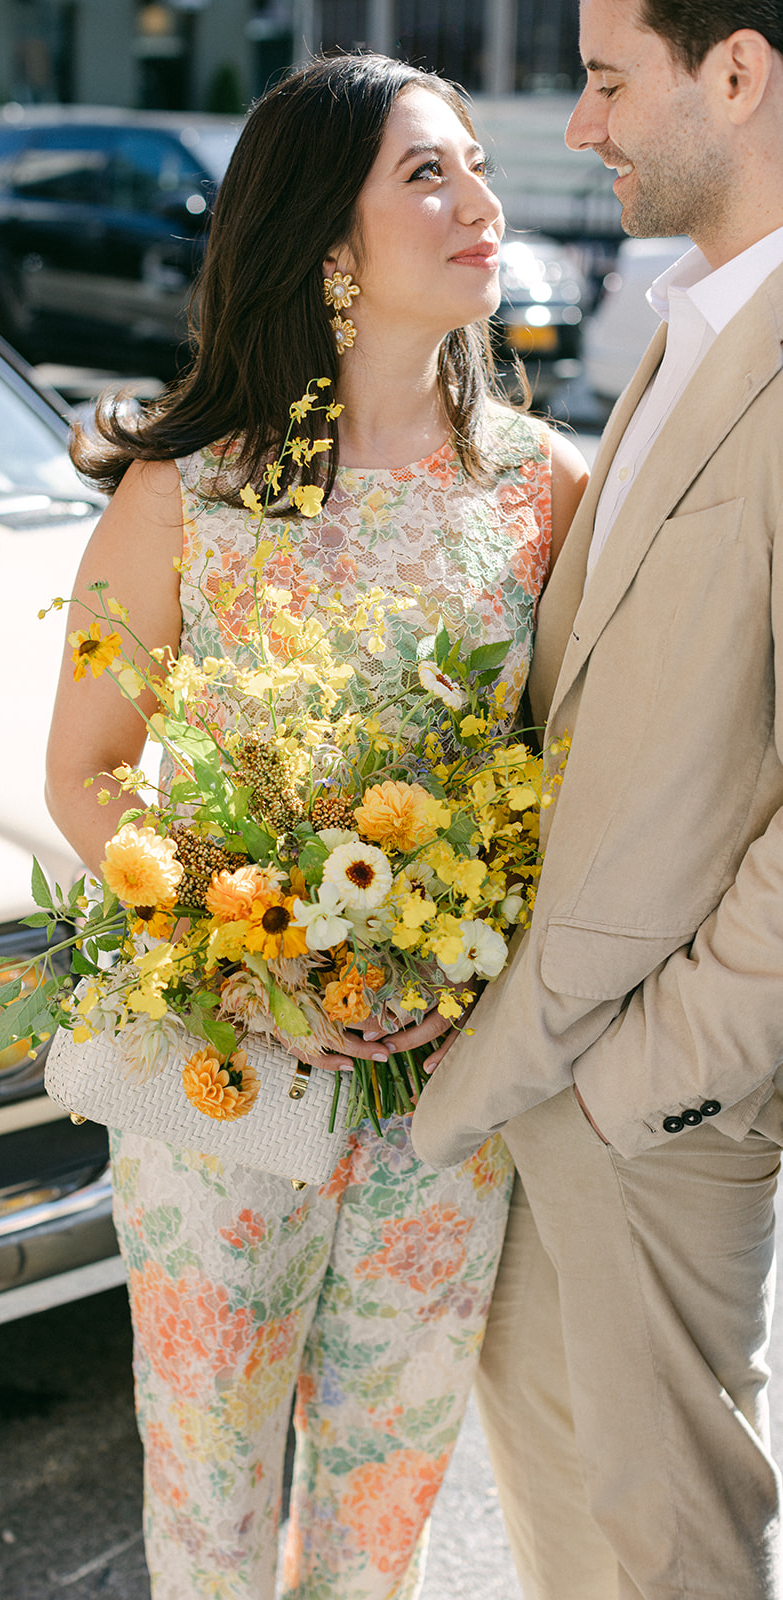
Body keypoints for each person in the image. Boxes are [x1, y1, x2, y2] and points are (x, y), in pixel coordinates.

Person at [45, 53, 587, 1600]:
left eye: (479, 165)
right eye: (431, 173)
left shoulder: (543, 492)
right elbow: (88, 771)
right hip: (219, 1090)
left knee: (383, 1519)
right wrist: (250, 948)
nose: (484, 204)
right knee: (209, 1515)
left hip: (446, 1111)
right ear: (322, 240)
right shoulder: (186, 493)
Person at [407, 2, 783, 1596]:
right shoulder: (700, 323)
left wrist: (656, 1074)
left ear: (743, 73)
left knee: (669, 1559)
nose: (579, 125)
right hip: (534, 1078)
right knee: (573, 1551)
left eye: (611, 78)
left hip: (655, 1111)